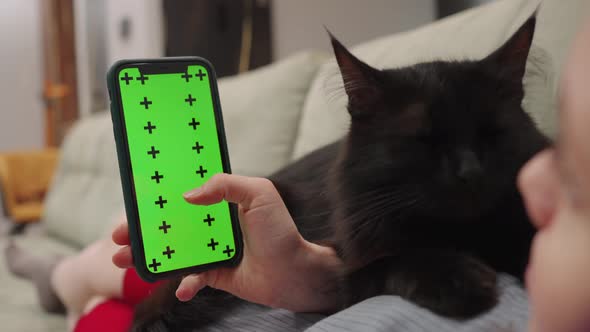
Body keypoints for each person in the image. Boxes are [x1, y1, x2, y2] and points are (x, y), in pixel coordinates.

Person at [5, 16, 590, 332]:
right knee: (140, 256)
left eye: (578, 189)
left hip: (265, 274)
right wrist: (314, 273)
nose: (468, 171)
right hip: (278, 245)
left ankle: (67, 289)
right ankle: (61, 274)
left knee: (132, 297)